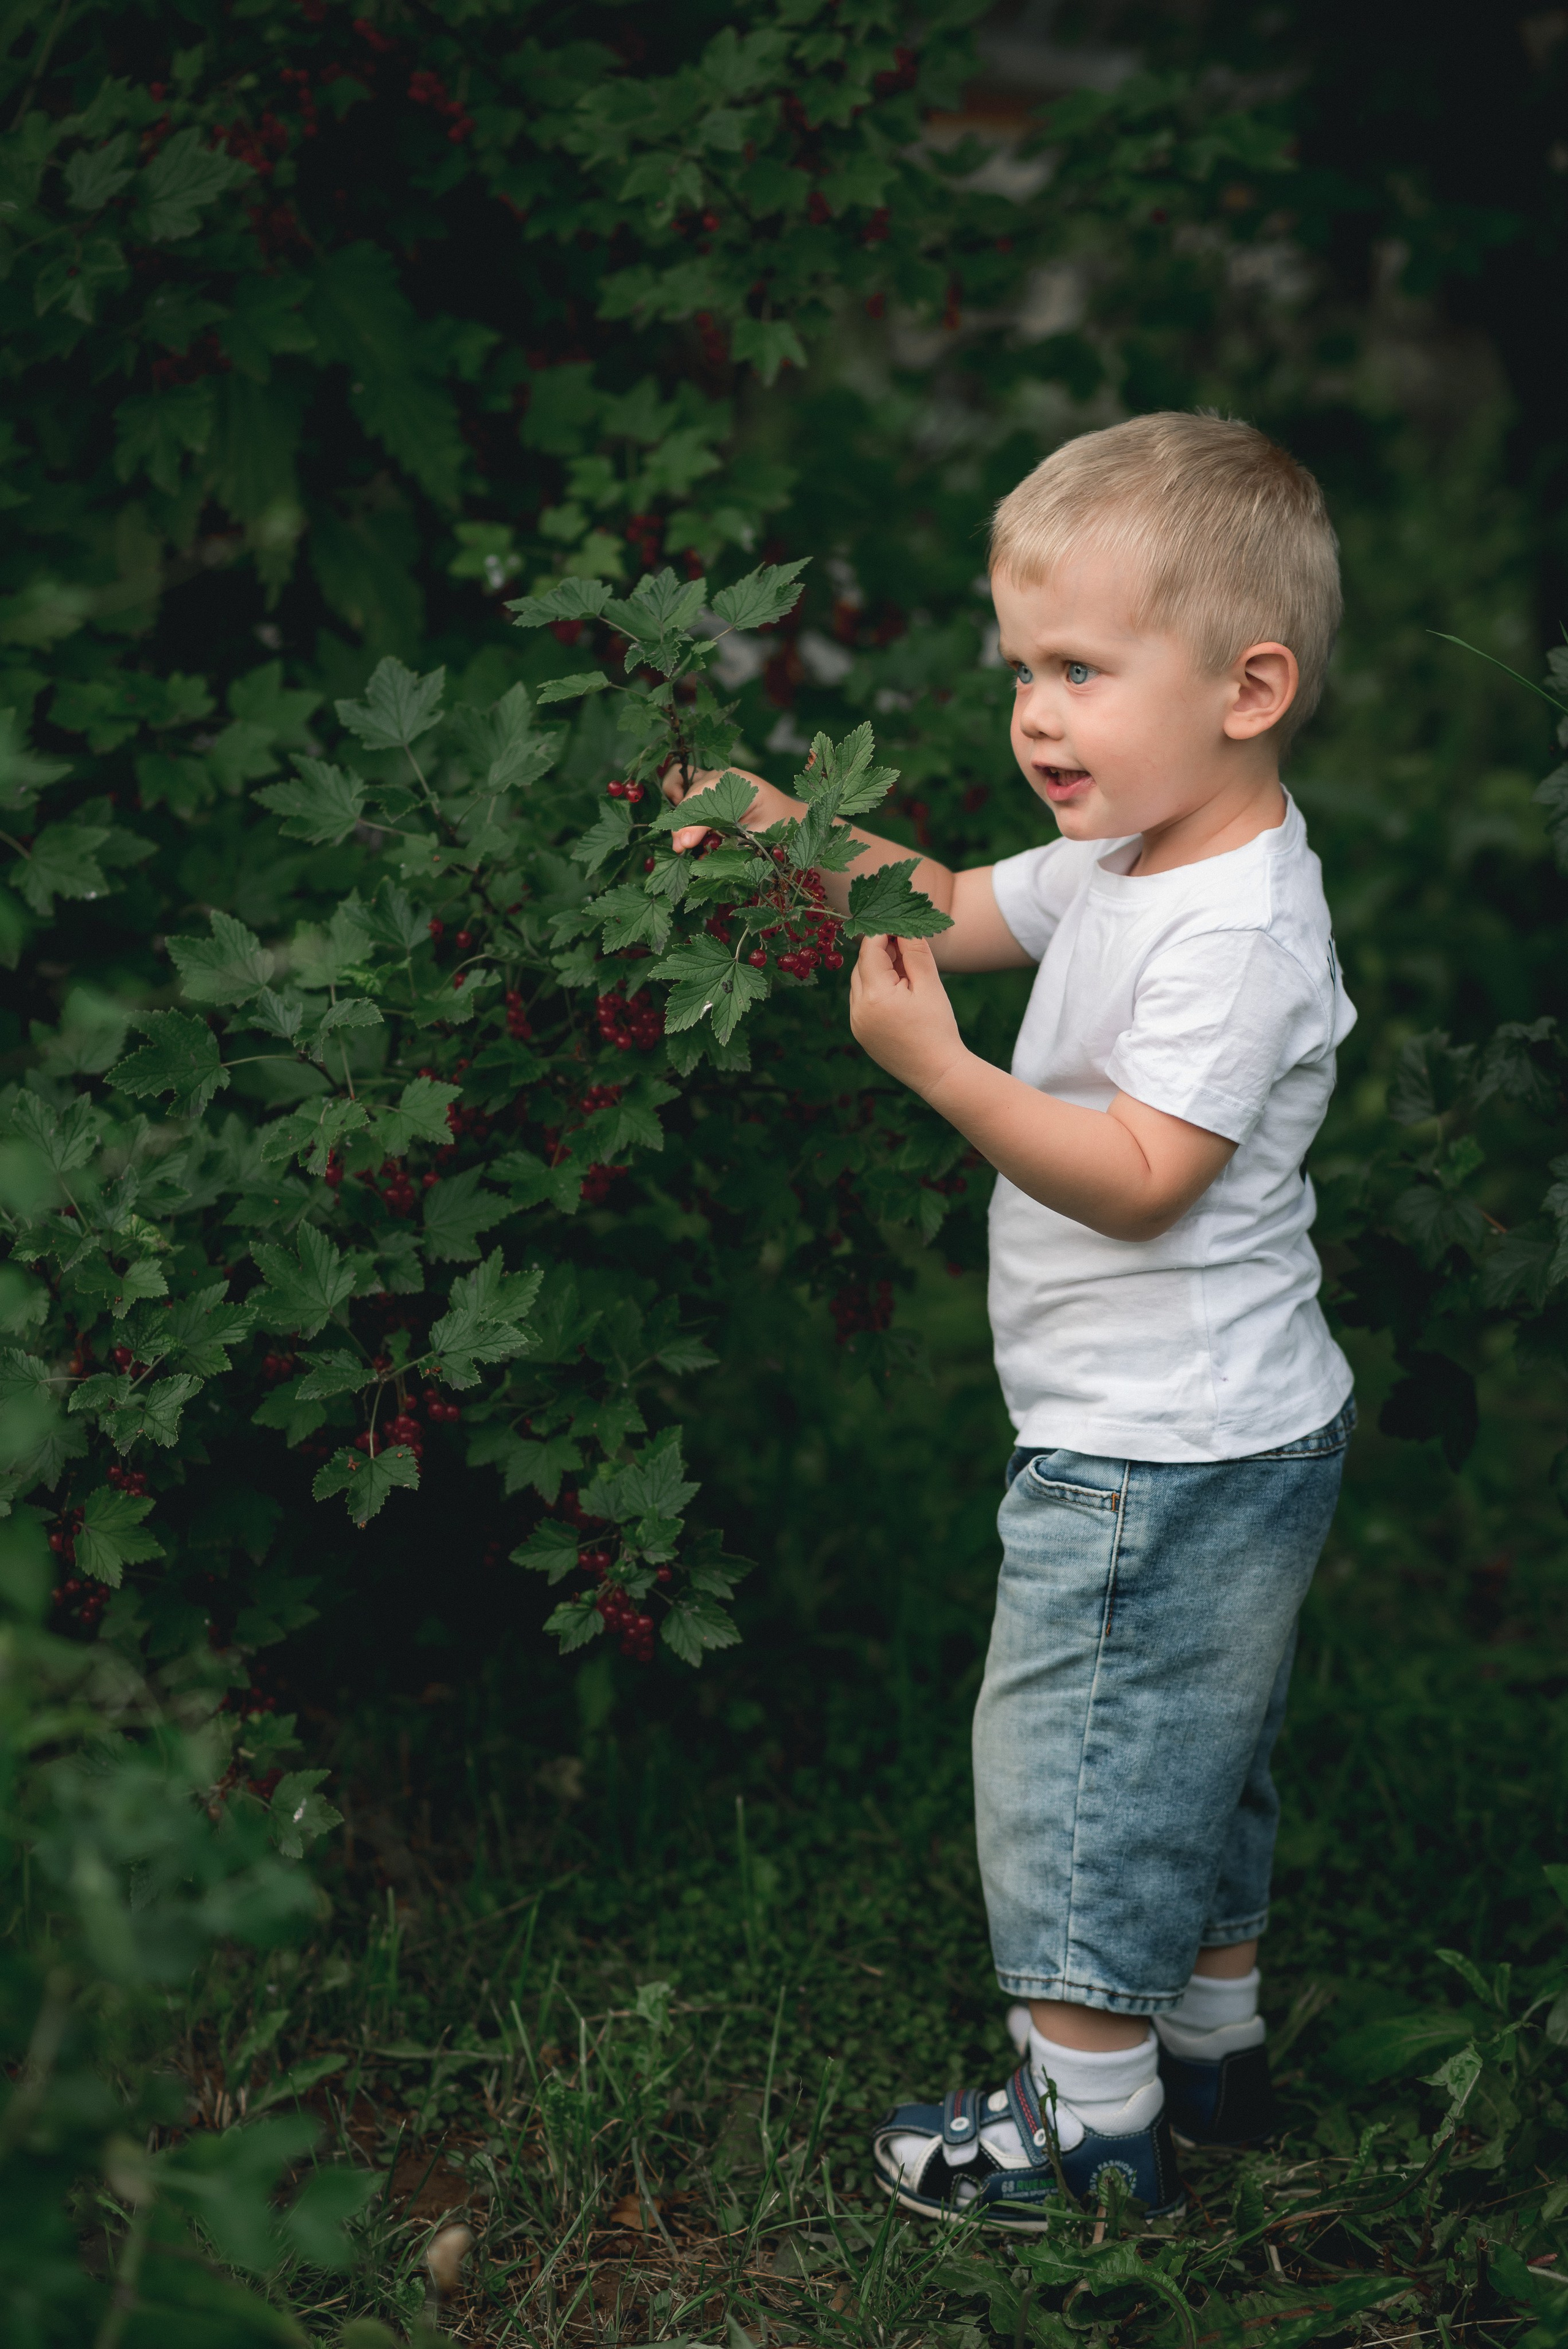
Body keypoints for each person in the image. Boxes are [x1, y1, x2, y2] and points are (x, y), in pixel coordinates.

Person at [663, 410, 1356, 2226]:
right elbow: (951, 901)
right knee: (1197, 1743)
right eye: (1022, 673)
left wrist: (940, 1070)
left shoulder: (1234, 933)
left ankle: (1085, 2131)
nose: (1037, 717)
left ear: (1249, 688)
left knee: (1084, 1767)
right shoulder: (1136, 853)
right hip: (1217, 1421)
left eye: (1081, 671)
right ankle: (1208, 2045)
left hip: (1158, 1447)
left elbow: (1141, 1175)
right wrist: (777, 832)